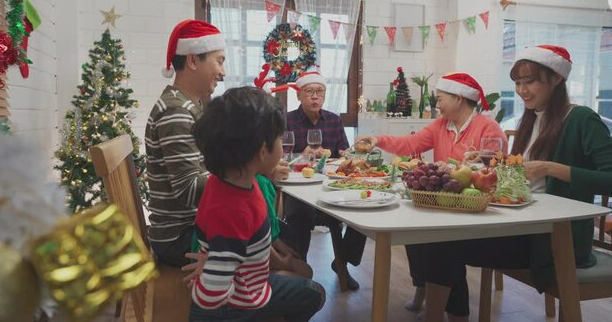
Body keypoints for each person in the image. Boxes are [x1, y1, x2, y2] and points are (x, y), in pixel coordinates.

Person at [422, 45, 612, 322]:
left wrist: (550, 168)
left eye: (530, 81)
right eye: (518, 82)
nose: (522, 90)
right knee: (438, 237)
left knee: (443, 244)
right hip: (523, 224)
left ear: (557, 78)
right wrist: (488, 162)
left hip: (556, 239)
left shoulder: (582, 119)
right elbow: (522, 177)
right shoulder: (531, 118)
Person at [356, 72, 507, 315]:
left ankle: (445, 306)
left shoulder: (488, 127)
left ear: (458, 98)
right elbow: (410, 144)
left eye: (440, 99)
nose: (436, 105)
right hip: (443, 202)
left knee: (443, 243)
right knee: (414, 229)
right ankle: (423, 288)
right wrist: (377, 139)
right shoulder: (440, 126)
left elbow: (495, 168)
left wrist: (467, 167)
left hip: (473, 209)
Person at [185, 87, 325, 321]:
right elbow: (211, 296)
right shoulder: (234, 210)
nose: (282, 147)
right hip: (236, 306)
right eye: (280, 139)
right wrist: (212, 277)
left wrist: (214, 262)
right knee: (313, 293)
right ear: (262, 151)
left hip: (244, 283)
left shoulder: (224, 182)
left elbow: (223, 244)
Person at [144, 20, 226, 268]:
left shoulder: (188, 105)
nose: (223, 72)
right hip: (179, 238)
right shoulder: (176, 111)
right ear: (192, 60)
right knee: (261, 235)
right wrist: (248, 171)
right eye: (219, 61)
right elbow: (190, 190)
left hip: (184, 230)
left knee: (270, 235)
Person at [282, 71, 367, 291]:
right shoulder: (287, 120)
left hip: (329, 188)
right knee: (299, 216)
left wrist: (337, 155)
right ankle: (299, 273)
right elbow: (279, 156)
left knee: (362, 211)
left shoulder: (334, 119)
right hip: (297, 190)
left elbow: (344, 155)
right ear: (299, 96)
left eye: (319, 92)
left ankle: (343, 262)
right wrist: (302, 154)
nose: (315, 97)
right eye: (309, 92)